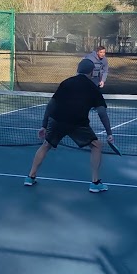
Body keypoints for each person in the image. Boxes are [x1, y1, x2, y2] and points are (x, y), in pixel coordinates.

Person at [24, 58, 115, 192]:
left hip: (57, 120)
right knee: (96, 145)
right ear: (92, 72)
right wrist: (109, 133)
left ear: (78, 70)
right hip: (78, 123)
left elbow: (51, 105)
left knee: (46, 145)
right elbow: (102, 112)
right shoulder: (93, 88)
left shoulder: (66, 82)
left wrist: (44, 125)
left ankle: (30, 177)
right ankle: (95, 183)